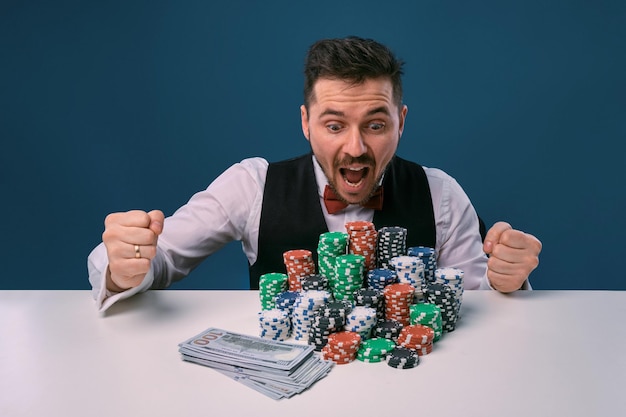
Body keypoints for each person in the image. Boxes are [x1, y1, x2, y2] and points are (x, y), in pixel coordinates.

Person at [88, 36, 542, 312]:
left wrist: (509, 280)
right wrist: (124, 269)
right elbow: (159, 260)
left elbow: (482, 306)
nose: (356, 146)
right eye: (334, 124)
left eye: (376, 124)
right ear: (305, 123)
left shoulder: (440, 193)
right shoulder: (253, 185)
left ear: (402, 121)